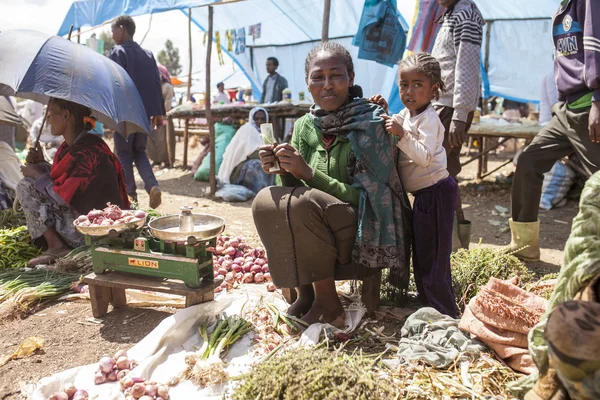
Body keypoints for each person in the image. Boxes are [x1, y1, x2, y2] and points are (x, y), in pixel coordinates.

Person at [253, 42, 411, 326]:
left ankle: (329, 303)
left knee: (304, 202)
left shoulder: (372, 123)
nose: (327, 85)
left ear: (350, 79)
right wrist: (281, 167)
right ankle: (306, 293)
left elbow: (367, 198)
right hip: (315, 217)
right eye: (318, 77)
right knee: (266, 201)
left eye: (336, 76)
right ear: (307, 82)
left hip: (360, 224)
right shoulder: (304, 125)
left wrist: (309, 173)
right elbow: (291, 188)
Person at [507, 0, 600, 261]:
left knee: (597, 182)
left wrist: (598, 100)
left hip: (589, 106)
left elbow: (595, 47)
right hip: (566, 109)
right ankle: (525, 245)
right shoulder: (561, 10)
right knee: (528, 160)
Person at [373, 53, 458, 317]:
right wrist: (385, 111)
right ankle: (427, 301)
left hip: (437, 193)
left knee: (434, 255)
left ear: (434, 89)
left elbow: (422, 157)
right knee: (422, 252)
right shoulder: (406, 115)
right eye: (404, 84)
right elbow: (397, 126)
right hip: (423, 197)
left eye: (418, 84)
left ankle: (444, 311)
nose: (409, 91)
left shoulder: (429, 120)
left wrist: (402, 133)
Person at [17, 98, 129, 267]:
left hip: (92, 233)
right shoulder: (72, 146)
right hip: (82, 223)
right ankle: (57, 244)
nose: (47, 118)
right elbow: (63, 180)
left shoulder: (86, 152)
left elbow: (63, 197)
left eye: (51, 113)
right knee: (34, 177)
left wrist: (38, 174)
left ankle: (57, 246)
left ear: (66, 115)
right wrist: (41, 164)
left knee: (25, 186)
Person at [431, 0, 485, 250]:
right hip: (444, 106)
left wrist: (460, 115)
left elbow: (467, 69)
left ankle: (448, 244)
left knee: (435, 173)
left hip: (451, 108)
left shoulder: (466, 16)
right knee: (445, 171)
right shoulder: (451, 15)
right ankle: (456, 245)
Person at [110, 15, 164, 208]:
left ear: (122, 29)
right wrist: (158, 112)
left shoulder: (118, 52)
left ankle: (130, 197)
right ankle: (152, 186)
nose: (112, 35)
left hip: (124, 114)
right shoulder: (148, 54)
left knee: (124, 154)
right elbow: (156, 84)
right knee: (139, 152)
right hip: (143, 115)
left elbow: (114, 84)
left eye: (113, 31)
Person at [218, 107, 275, 193]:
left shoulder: (266, 132)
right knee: (256, 164)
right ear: (252, 118)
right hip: (239, 168)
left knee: (274, 164)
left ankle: (269, 188)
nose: (259, 121)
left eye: (262, 119)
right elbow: (250, 153)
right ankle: (260, 191)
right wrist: (269, 154)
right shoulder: (247, 129)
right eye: (257, 118)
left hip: (262, 159)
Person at [147, 64, 175, 166]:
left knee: (163, 140)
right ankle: (155, 159)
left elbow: (167, 104)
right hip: (151, 116)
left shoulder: (167, 87)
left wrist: (158, 113)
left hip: (163, 117)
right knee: (151, 139)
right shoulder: (153, 86)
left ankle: (167, 160)